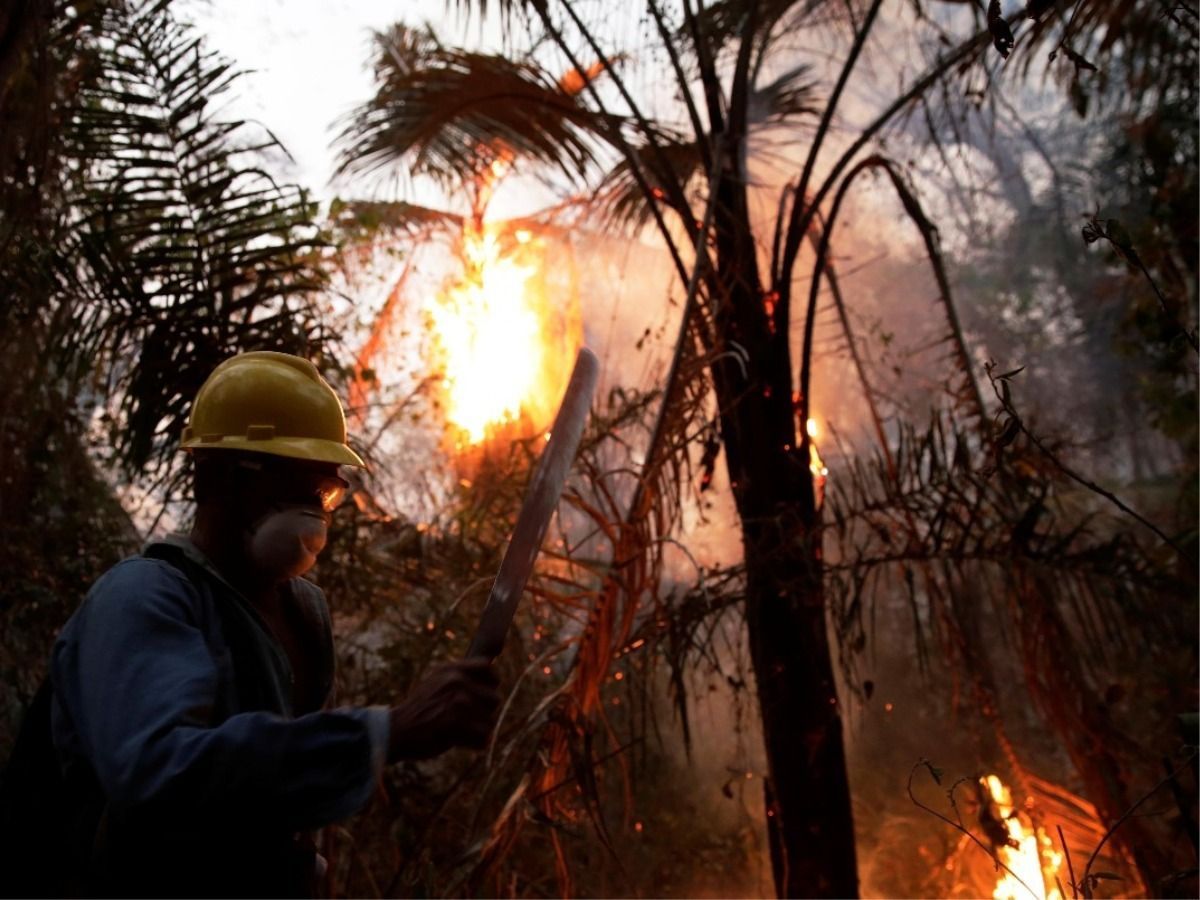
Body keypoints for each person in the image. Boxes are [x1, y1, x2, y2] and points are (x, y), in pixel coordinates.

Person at [46, 351, 501, 897]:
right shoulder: (143, 598)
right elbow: (164, 776)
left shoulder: (305, 612)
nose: (318, 509)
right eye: (300, 485)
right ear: (222, 479)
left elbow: (286, 798)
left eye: (327, 491)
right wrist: (385, 733)